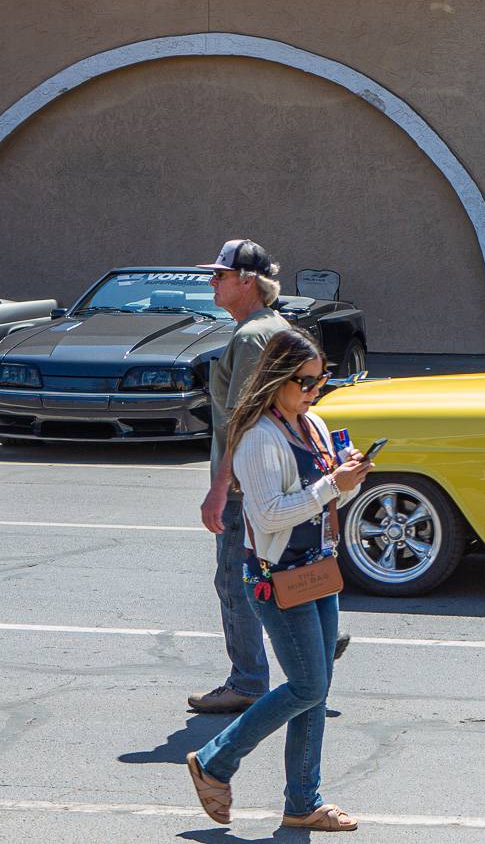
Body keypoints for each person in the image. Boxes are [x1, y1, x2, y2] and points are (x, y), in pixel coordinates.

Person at [187, 329, 371, 832]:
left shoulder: (314, 424)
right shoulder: (258, 437)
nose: (314, 390)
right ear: (276, 379)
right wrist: (332, 484)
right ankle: (215, 759)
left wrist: (349, 480)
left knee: (316, 689)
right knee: (308, 685)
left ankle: (303, 802)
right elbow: (269, 515)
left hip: (318, 568)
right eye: (304, 382)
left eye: (320, 379)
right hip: (277, 576)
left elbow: (330, 500)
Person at [193, 239, 293, 714]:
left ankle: (248, 681)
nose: (212, 283)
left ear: (247, 281)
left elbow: (242, 417)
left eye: (220, 275)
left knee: (235, 582)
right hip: (275, 474)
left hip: (246, 483)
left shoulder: (253, 336)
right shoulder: (276, 327)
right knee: (279, 572)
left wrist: (220, 488)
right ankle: (315, 649)